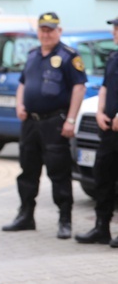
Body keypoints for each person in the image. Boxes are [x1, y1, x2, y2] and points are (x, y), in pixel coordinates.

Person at [2, 12, 87, 239]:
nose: (46, 34)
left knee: (59, 173)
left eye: (50, 30)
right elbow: (23, 83)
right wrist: (19, 104)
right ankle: (26, 216)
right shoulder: (32, 55)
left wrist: (71, 119)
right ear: (38, 31)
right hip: (31, 123)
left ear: (59, 31)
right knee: (27, 171)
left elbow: (80, 87)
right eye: (43, 30)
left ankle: (65, 219)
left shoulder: (69, 56)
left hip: (55, 122)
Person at [75, 15, 118, 246]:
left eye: (117, 28)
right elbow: (104, 88)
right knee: (103, 178)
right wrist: (101, 112)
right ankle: (102, 227)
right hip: (109, 131)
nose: (114, 32)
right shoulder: (113, 57)